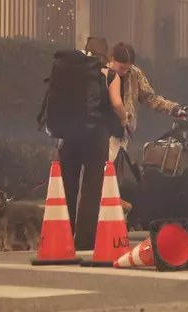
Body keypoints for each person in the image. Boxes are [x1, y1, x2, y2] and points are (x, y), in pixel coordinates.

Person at [58, 37, 128, 250]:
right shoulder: (110, 74)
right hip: (96, 136)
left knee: (66, 186)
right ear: (106, 55)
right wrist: (124, 118)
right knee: (91, 188)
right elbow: (116, 102)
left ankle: (63, 235)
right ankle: (84, 240)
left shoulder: (71, 72)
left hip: (69, 135)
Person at [107, 42, 188, 161]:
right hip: (104, 132)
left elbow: (150, 98)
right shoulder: (103, 73)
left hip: (123, 132)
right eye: (121, 68)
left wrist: (173, 108)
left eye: (128, 68)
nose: (124, 71)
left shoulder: (134, 74)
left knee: (117, 170)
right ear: (112, 59)